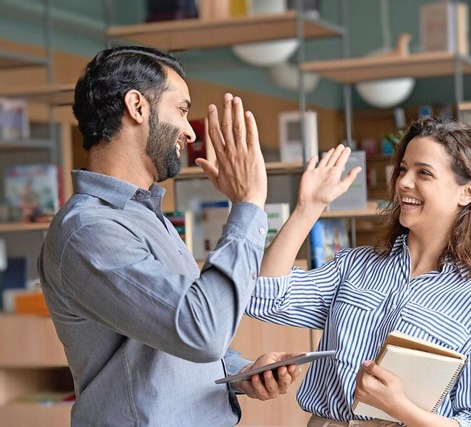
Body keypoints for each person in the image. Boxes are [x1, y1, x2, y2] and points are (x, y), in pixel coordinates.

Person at [37, 45, 304, 426]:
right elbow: (202, 330)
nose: (188, 129)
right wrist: (249, 202)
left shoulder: (145, 214)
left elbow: (167, 331)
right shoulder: (88, 231)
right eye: (181, 109)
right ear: (137, 106)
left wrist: (242, 371)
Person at [246, 116, 471, 427]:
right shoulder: (354, 267)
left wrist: (399, 407)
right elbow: (263, 297)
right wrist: (308, 207)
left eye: (424, 173)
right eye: (403, 170)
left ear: (467, 192)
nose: (404, 182)